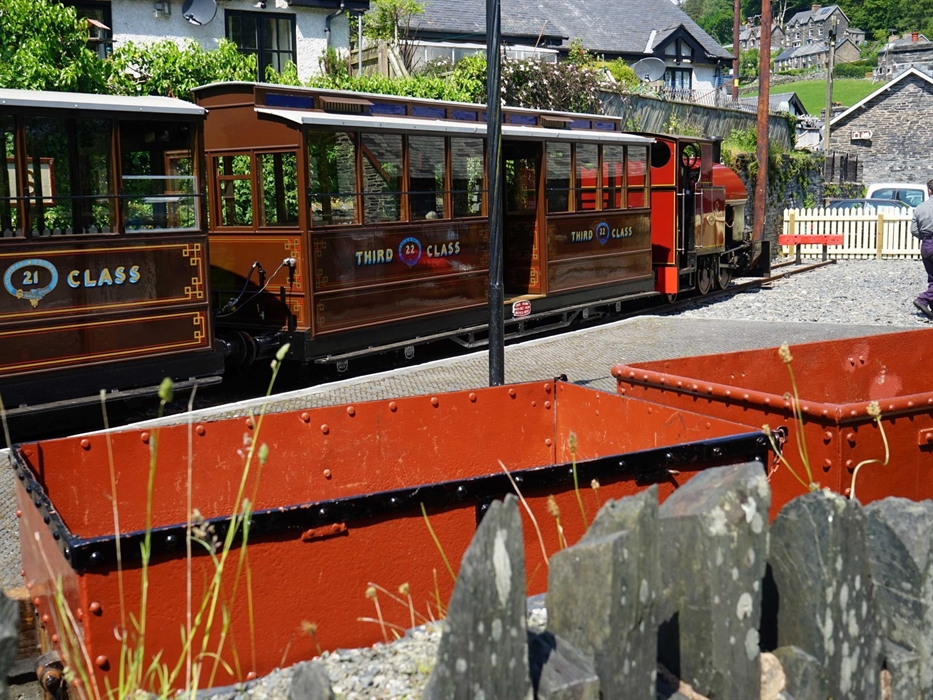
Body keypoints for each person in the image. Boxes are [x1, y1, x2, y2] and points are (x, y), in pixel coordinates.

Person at [912, 179, 933, 320]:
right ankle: (923, 299)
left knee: (932, 278)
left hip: (926, 243)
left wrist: (926, 238)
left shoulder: (920, 207)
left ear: (929, 190)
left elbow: (914, 230)